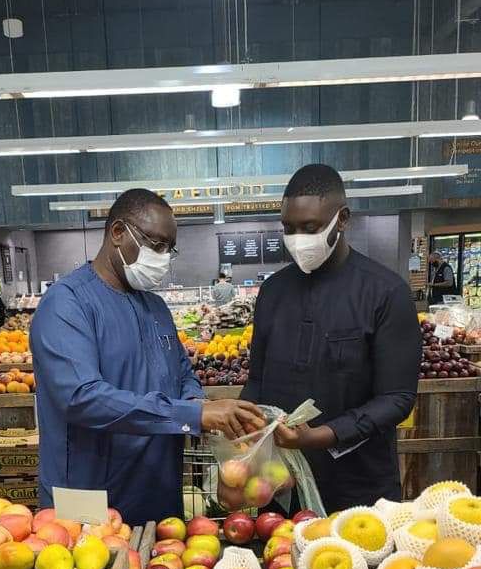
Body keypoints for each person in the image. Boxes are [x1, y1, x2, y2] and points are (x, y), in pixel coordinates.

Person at [31, 188, 264, 526]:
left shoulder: (154, 307)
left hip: (157, 492)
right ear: (117, 233)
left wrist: (198, 402)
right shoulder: (67, 305)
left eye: (170, 249)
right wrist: (193, 413)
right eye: (156, 245)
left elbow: (181, 372)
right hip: (90, 500)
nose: (164, 258)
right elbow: (81, 398)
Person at [231, 164, 422, 513]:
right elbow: (257, 380)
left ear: (343, 219)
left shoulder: (386, 293)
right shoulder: (273, 292)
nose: (297, 239)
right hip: (282, 485)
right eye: (288, 228)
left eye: (310, 228)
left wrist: (320, 436)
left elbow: (397, 398)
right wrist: (246, 437)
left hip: (359, 488)